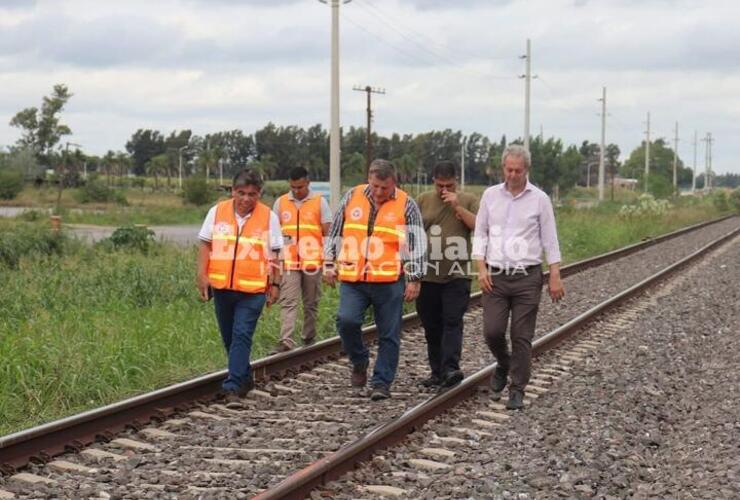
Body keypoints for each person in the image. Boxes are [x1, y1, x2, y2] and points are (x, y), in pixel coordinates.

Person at [472, 145, 565, 410]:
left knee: (521, 336)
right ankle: (503, 362)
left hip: (528, 277)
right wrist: (481, 268)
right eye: (509, 169)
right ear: (503, 168)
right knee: (492, 331)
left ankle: (517, 388)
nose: (513, 175)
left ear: (527, 170)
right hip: (496, 276)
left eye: (518, 170)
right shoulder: (490, 196)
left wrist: (555, 274)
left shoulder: (540, 199)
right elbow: (481, 233)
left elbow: (550, 239)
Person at [324, 159, 426, 401]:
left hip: (389, 281)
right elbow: (335, 231)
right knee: (346, 321)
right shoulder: (352, 197)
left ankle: (381, 383)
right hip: (353, 278)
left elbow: (417, 244)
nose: (379, 192)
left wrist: (414, 278)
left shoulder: (406, 204)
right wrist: (328, 261)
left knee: (389, 334)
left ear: (394, 183)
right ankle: (359, 361)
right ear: (369, 179)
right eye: (376, 186)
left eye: (385, 188)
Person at [196, 169, 283, 401]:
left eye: (252, 194)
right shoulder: (217, 212)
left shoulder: (268, 217)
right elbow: (205, 245)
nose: (246, 199)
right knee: (229, 338)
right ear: (233, 191)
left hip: (253, 291)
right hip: (222, 288)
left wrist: (275, 285)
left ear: (259, 194)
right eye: (241, 193)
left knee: (242, 334)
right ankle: (244, 377)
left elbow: (275, 254)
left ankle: (233, 386)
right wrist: (201, 276)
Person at [415, 160, 479, 391]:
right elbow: (412, 231)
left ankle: (451, 368)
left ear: (456, 182)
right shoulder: (423, 200)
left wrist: (457, 207)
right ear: (434, 181)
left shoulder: (469, 199)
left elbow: (480, 227)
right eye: (440, 185)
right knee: (432, 325)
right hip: (428, 275)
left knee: (452, 321)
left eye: (449, 185)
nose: (444, 190)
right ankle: (437, 372)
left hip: (457, 274)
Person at [270, 166, 332, 354]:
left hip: (313, 263)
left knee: (311, 303)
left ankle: (308, 337)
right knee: (288, 301)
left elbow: (328, 234)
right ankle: (286, 340)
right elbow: (274, 236)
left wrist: (329, 262)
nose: (296, 191)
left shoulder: (320, 202)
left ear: (308, 183)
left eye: (300, 187)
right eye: (293, 187)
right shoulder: (280, 203)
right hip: (289, 263)